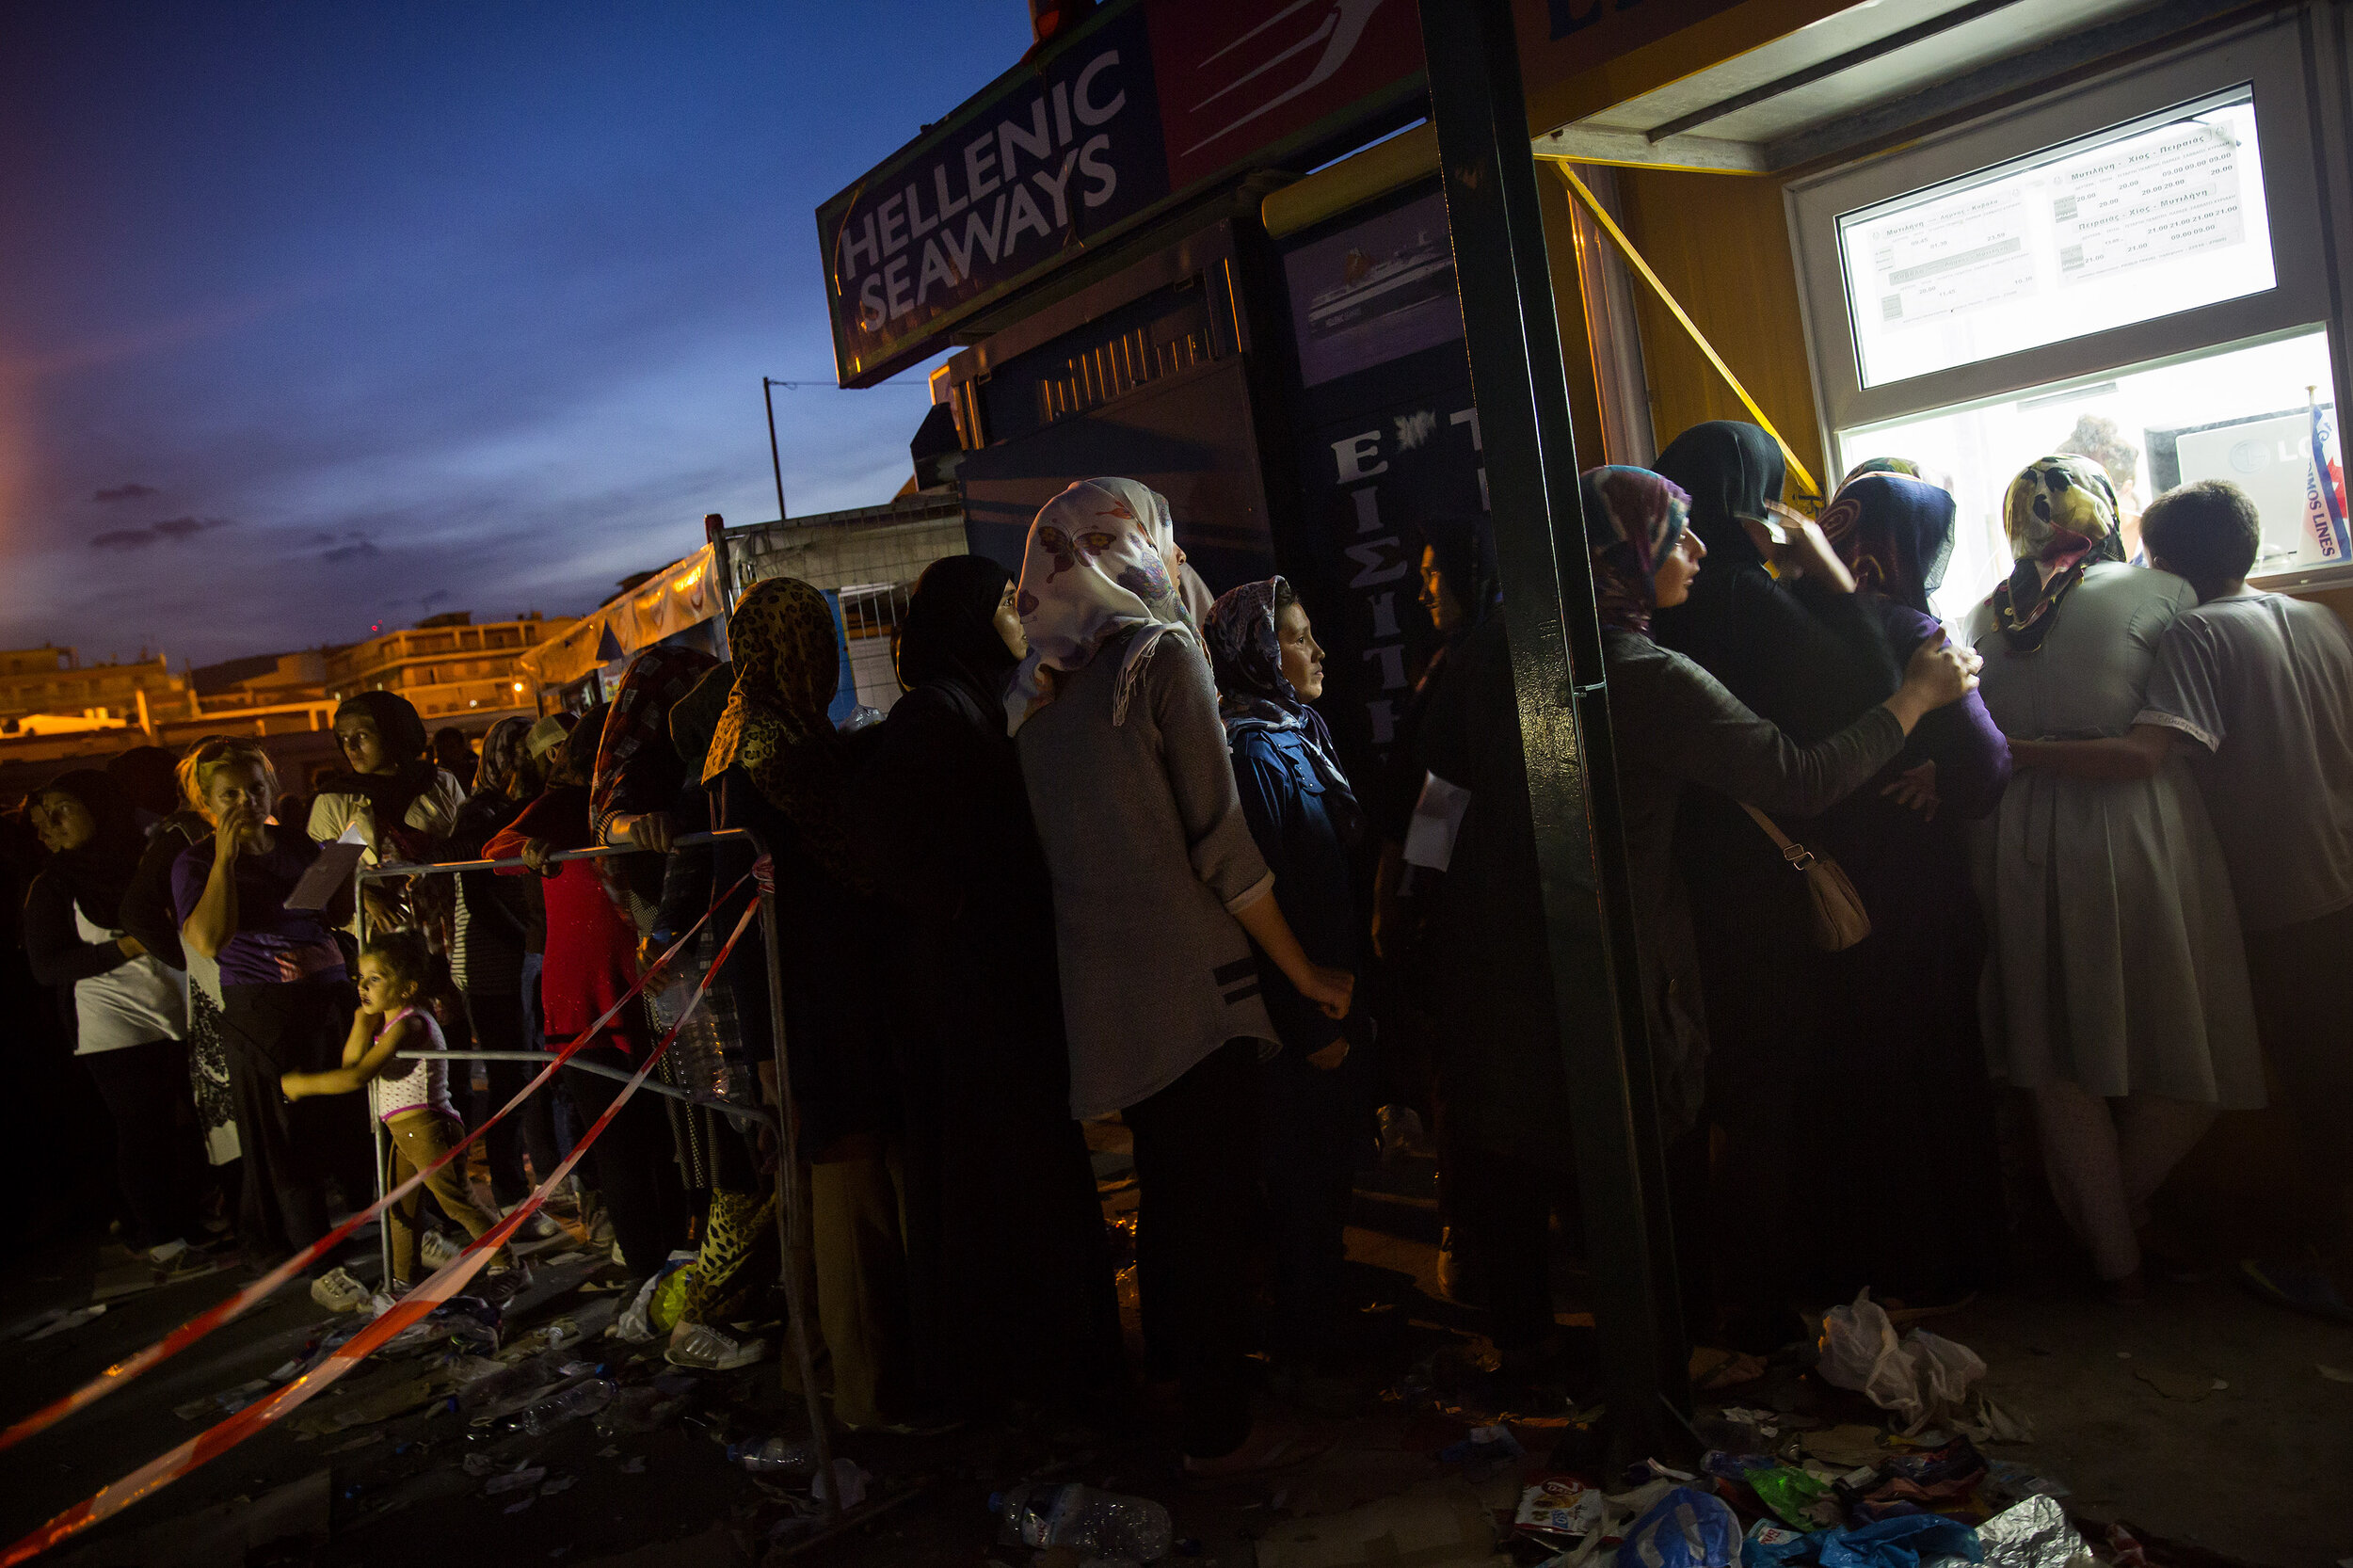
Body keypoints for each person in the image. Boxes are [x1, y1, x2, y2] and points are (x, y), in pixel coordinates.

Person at [1581, 466, 1983, 1326]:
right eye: (1674, 533)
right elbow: (1808, 775)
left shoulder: (1598, 636)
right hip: (1762, 916)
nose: (1697, 547)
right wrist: (1916, 702)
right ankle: (1741, 1324)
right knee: (1767, 1107)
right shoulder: (1674, 649)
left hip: (1677, 903)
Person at [1009, 477, 1352, 1477]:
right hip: (1199, 994)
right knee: (1210, 1210)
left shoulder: (1038, 691)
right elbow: (1226, 852)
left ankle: (1174, 1386)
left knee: (1168, 1199)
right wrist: (1311, 976)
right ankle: (1217, 1430)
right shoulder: (1159, 659)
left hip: (1107, 1000)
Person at [2013, 479, 2353, 1319]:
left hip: (2278, 893)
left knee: (2317, 1098)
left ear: (2162, 565)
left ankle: (2342, 1275)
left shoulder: (2197, 630)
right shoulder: (2307, 614)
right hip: (2341, 871)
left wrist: (2009, 748)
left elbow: (2142, 756)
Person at [1967, 456, 2264, 1303]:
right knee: (2199, 1036)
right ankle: (2120, 1218)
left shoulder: (1984, 612)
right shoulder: (2164, 598)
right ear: (2105, 516)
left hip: (2014, 834)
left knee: (2054, 1057)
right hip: (2133, 826)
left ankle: (2112, 1260)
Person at [1645, 420, 1905, 1347]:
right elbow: (1866, 691)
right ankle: (1757, 1299)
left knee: (1684, 1087)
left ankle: (1687, 1288)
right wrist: (1827, 577)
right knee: (1762, 1087)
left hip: (1664, 872)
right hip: (1752, 875)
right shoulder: (1738, 599)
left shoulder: (1640, 599)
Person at [853, 554, 1122, 1417]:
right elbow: (907, 861)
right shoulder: (933, 719)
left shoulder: (971, 704)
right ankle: (1028, 1385)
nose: (1020, 612)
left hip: (992, 996)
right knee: (1005, 1193)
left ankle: (1050, 1375)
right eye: (1005, 602)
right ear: (969, 620)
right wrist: (980, 909)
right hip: (973, 1011)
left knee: (1025, 1185)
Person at [702, 578, 918, 1429]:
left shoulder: (742, 729)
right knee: (849, 1192)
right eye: (819, 638)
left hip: (792, 1001)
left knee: (812, 1185)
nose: (827, 655)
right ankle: (869, 1396)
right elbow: (846, 862)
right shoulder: (774, 745)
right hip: (817, 1000)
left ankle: (814, 1372)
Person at [1800, 470, 2012, 1301]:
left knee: (1852, 1076)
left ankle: (1859, 1265)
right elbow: (1990, 765)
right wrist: (1945, 777)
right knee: (1931, 1072)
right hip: (1913, 885)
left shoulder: (1787, 620)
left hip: (1821, 882)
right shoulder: (1911, 630)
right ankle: (1945, 1265)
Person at [1205, 576, 1371, 1364]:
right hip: (1306, 1020)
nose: (1318, 650)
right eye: (1299, 637)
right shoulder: (1252, 753)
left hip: (1331, 1002)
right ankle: (1312, 1351)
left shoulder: (1295, 732)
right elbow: (1263, 901)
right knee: (1304, 1187)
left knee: (1327, 1178)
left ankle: (1326, 1323)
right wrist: (1307, 1026)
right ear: (1259, 655)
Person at [172, 738, 374, 1307]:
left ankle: (390, 1225)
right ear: (206, 803)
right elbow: (209, 939)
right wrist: (224, 859)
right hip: (264, 1012)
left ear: (272, 786)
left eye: (254, 788)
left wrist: (345, 861)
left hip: (328, 997)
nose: (245, 801)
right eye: (229, 794)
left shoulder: (296, 843)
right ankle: (317, 1259)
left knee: (353, 1118)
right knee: (286, 1140)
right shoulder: (193, 862)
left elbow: (326, 916)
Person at [488, 709, 689, 1278]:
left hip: (649, 988)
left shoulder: (650, 800)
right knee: (619, 1143)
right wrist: (531, 850)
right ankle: (648, 1271)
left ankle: (674, 1260)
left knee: (663, 1136)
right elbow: (496, 849)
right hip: (586, 993)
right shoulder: (567, 803)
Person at [23, 770, 205, 1273]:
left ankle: (192, 1222)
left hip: (175, 1007)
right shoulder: (53, 885)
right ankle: (161, 1237)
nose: (49, 828)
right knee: (141, 1128)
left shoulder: (144, 861)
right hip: (111, 1022)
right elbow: (47, 966)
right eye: (42, 821)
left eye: (61, 810)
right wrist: (126, 945)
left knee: (190, 1123)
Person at [280, 929, 516, 1295]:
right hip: (405, 1130)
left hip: (428, 1126)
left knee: (458, 1204)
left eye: (375, 979)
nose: (363, 987)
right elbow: (350, 1062)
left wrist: (300, 1085)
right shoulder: (386, 1020)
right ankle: (404, 1280)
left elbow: (356, 1076)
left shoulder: (410, 1023)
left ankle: (508, 1265)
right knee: (400, 1210)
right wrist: (361, 1022)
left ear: (407, 987)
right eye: (360, 978)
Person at [445, 717, 561, 1235]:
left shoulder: (530, 808)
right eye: (519, 750)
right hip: (493, 960)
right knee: (510, 1073)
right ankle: (513, 1193)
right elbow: (480, 896)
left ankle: (544, 1179)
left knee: (539, 1068)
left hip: (528, 949)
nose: (530, 758)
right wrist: (529, 940)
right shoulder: (480, 813)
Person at [120, 744, 243, 1181]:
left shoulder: (238, 825)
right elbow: (136, 911)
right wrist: (186, 959)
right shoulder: (186, 837)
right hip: (218, 973)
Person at [308, 692, 466, 934]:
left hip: (449, 922)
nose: (351, 747)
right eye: (344, 738)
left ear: (393, 734)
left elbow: (468, 844)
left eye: (362, 736)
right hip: (380, 938)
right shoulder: (334, 800)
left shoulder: (439, 783)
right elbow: (320, 878)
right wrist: (367, 897)